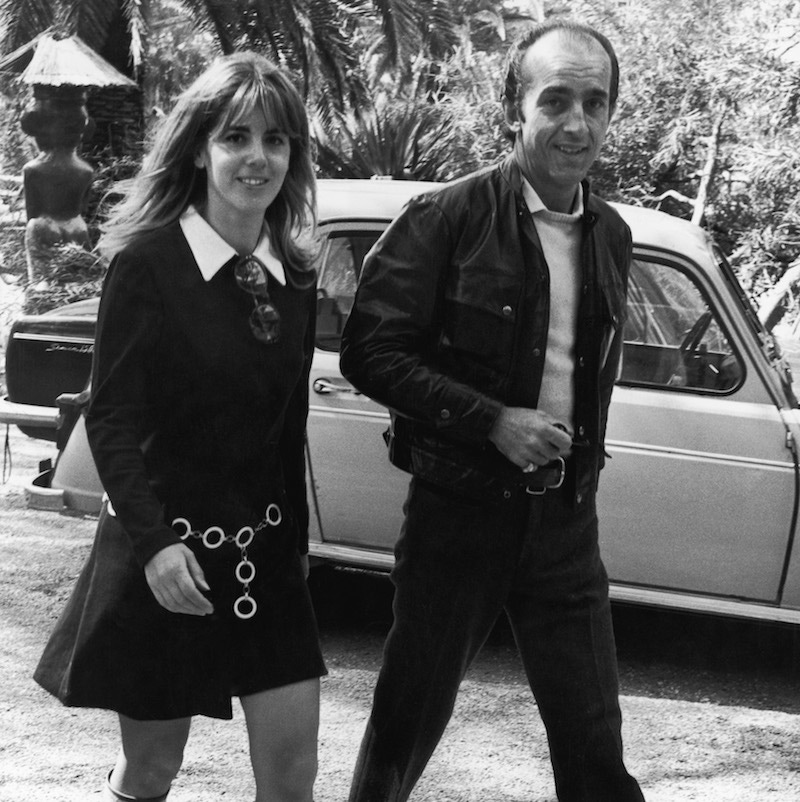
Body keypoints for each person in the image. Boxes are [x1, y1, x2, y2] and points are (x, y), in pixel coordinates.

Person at [339, 18, 646, 802]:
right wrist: (492, 420)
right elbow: (371, 352)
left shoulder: (612, 234)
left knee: (594, 745)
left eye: (595, 102)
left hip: (566, 525)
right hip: (459, 517)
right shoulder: (447, 217)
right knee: (401, 734)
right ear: (515, 109)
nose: (577, 123)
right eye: (555, 101)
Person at [34, 52, 326, 802]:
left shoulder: (296, 275)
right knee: (153, 772)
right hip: (168, 565)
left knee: (293, 780)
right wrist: (157, 547)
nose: (256, 157)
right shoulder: (148, 264)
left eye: (275, 140)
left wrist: (294, 549)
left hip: (266, 566)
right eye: (236, 138)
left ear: (292, 155)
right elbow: (114, 420)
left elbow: (286, 429)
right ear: (201, 148)